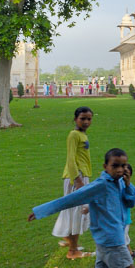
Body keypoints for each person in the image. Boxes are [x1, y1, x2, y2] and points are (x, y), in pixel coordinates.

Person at [53, 106, 94, 259]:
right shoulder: (74, 135)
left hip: (82, 177)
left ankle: (70, 242)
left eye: (89, 119)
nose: (86, 122)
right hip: (76, 178)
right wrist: (77, 181)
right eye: (82, 118)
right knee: (77, 212)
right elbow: (70, 159)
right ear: (75, 119)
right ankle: (73, 251)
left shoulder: (82, 135)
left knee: (73, 212)